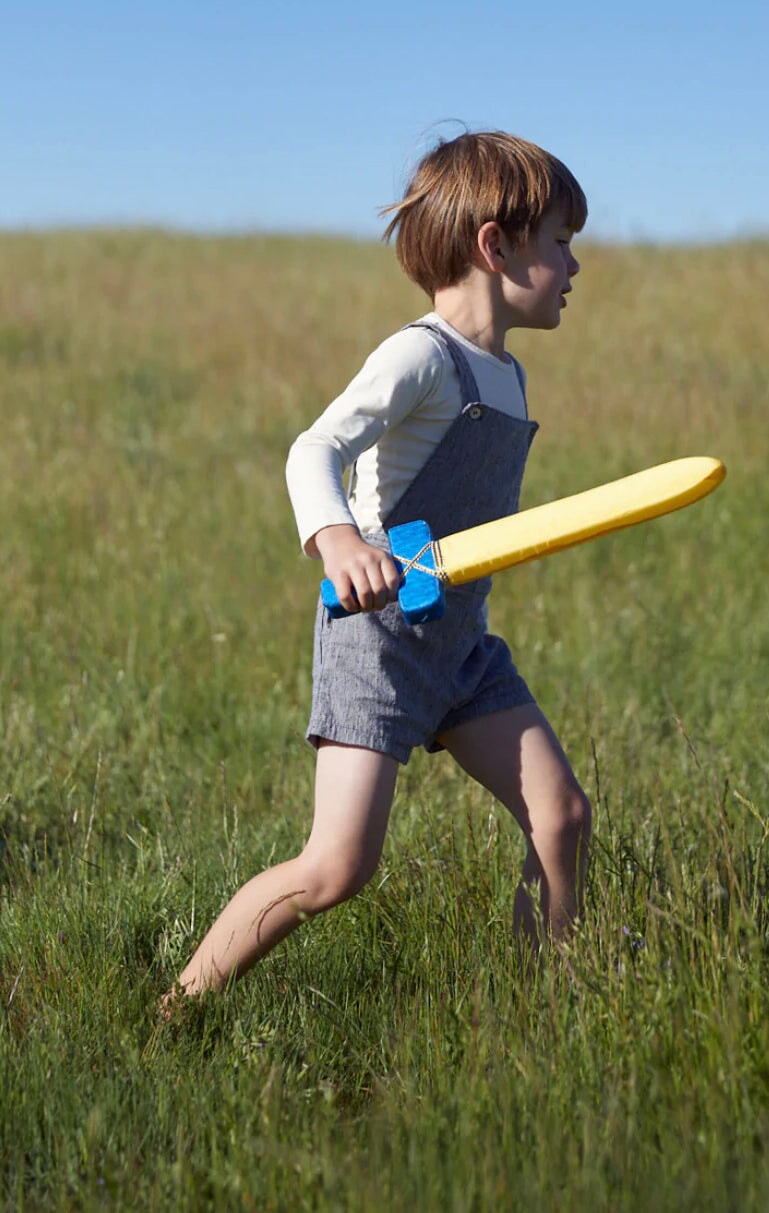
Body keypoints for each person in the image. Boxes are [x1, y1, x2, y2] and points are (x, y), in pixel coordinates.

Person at [167, 130, 592, 1001]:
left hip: (460, 642)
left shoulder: (506, 375)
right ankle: (181, 1005)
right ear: (495, 245)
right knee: (335, 867)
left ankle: (538, 1007)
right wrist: (337, 540)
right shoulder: (420, 357)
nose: (575, 263)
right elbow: (313, 447)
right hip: (380, 638)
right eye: (560, 240)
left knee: (563, 817)